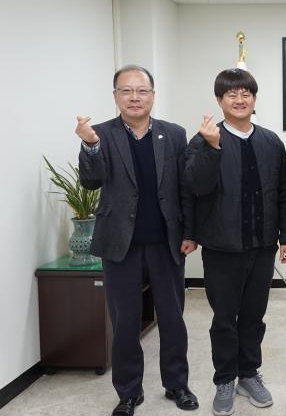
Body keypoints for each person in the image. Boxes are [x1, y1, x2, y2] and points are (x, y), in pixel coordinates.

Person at [77, 65, 198, 416]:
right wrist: (90, 146)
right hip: (120, 245)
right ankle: (129, 393)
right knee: (126, 323)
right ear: (115, 96)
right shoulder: (100, 134)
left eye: (141, 90)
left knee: (172, 320)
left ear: (153, 95)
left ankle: (177, 385)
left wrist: (189, 232)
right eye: (126, 91)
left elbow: (185, 189)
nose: (134, 97)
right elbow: (91, 182)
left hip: (166, 242)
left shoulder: (173, 134)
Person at [183, 68, 286, 416]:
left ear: (254, 98)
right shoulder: (204, 139)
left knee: (253, 316)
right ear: (220, 101)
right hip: (221, 248)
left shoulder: (270, 142)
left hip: (262, 246)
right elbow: (195, 187)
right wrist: (212, 147)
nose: (239, 99)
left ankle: (248, 374)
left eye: (245, 93)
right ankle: (224, 379)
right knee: (224, 318)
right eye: (231, 94)